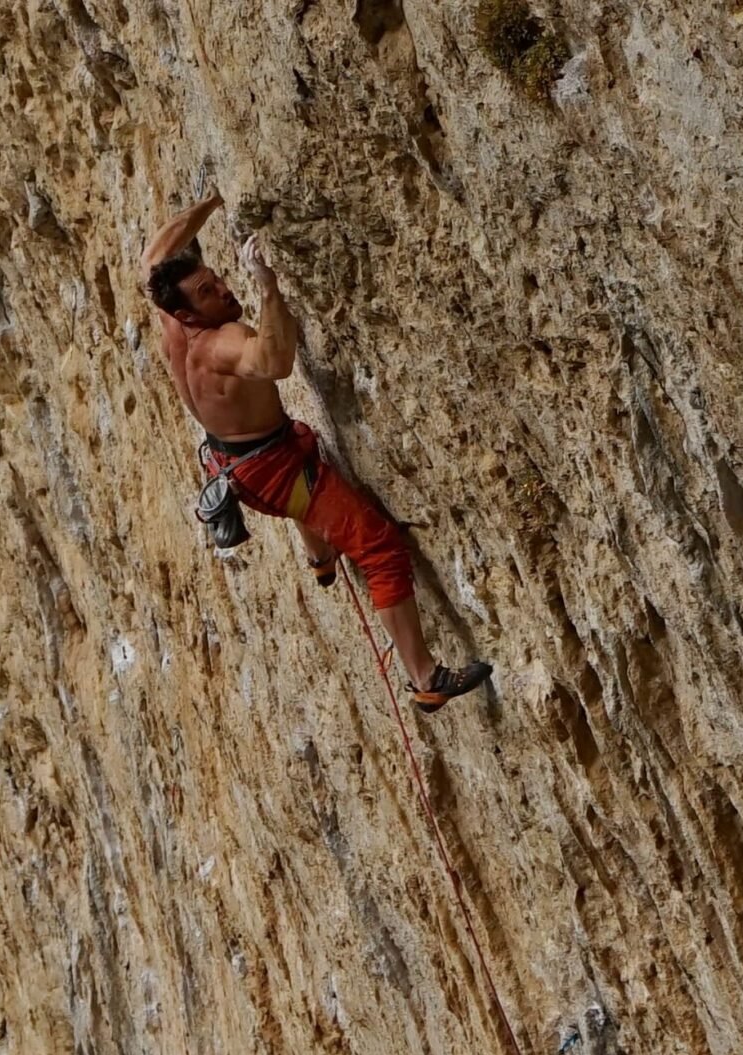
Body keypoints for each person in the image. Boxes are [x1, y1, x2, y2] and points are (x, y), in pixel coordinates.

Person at [141, 189, 491, 712]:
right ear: (189, 314)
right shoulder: (221, 343)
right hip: (275, 472)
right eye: (209, 292)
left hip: (238, 460)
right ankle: (425, 679)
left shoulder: (174, 321)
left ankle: (319, 556)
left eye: (217, 280)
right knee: (380, 549)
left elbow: (153, 257)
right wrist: (267, 288)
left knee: (304, 463)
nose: (223, 291)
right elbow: (275, 360)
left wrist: (212, 203)